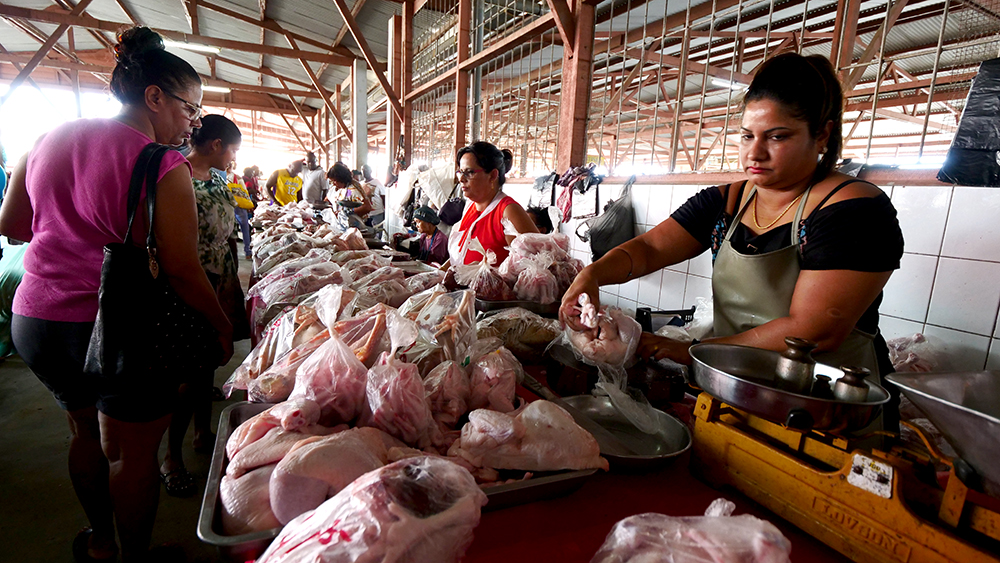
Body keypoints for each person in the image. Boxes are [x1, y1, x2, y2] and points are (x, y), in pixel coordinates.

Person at [560, 53, 904, 428]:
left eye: (777, 136)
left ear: (821, 133)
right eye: (747, 135)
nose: (755, 153)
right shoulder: (727, 200)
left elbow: (813, 330)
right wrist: (590, 277)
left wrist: (695, 351)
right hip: (737, 393)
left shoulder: (854, 211)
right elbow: (650, 248)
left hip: (827, 410)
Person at [0, 26, 233, 562]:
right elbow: (180, 268)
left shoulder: (43, 140)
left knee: (83, 431)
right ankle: (135, 556)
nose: (190, 123)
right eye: (188, 109)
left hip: (37, 319)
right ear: (154, 96)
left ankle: (101, 543)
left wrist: (71, 221)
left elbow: (14, 225)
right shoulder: (161, 163)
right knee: (129, 454)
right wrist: (221, 323)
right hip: (117, 326)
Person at [160, 114, 247, 497]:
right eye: (232, 149)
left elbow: (226, 227)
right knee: (185, 372)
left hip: (221, 273)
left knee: (209, 360)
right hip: (190, 279)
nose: (233, 157)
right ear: (215, 145)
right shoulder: (175, 174)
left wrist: (232, 284)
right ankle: (171, 457)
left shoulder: (216, 176)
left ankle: (202, 431)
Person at [445, 141, 537, 267]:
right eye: (460, 172)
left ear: (493, 175)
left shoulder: (508, 212)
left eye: (469, 172)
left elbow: (534, 266)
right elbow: (461, 254)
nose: (461, 178)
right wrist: (439, 273)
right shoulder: (470, 206)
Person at [327, 162, 372, 232]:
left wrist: (348, 212)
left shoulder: (353, 189)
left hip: (358, 227)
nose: (334, 184)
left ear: (341, 178)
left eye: (335, 181)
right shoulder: (345, 187)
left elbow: (367, 207)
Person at [227, 160, 253, 259]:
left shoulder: (219, 177)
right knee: (245, 228)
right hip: (239, 205)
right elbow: (244, 192)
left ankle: (231, 253)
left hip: (227, 205)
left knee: (230, 230)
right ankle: (247, 252)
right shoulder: (237, 177)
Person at [362, 163, 386, 234]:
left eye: (366, 170)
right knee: (367, 233)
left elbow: (383, 196)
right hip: (366, 214)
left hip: (377, 212)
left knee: (378, 232)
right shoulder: (360, 184)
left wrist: (385, 211)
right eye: (363, 170)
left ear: (370, 171)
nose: (365, 172)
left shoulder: (377, 182)